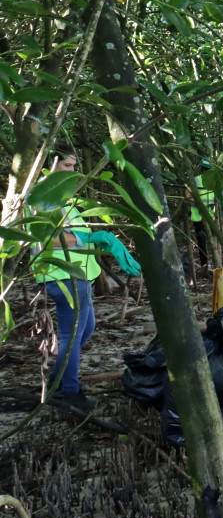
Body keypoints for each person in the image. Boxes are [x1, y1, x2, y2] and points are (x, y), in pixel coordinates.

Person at [32, 144, 141, 412]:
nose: (73, 171)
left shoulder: (62, 195)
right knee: (71, 337)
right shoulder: (42, 196)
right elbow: (47, 238)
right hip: (62, 276)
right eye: (67, 165)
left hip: (80, 277)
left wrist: (101, 239)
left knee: (86, 329)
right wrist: (92, 237)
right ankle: (69, 392)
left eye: (73, 166)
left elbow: (74, 233)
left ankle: (59, 378)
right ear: (50, 164)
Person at [185, 159, 215, 276]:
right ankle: (205, 265)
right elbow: (187, 195)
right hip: (199, 216)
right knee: (202, 241)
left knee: (212, 241)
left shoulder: (214, 181)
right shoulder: (196, 180)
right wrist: (197, 202)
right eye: (206, 170)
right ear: (203, 170)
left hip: (211, 216)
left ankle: (215, 264)